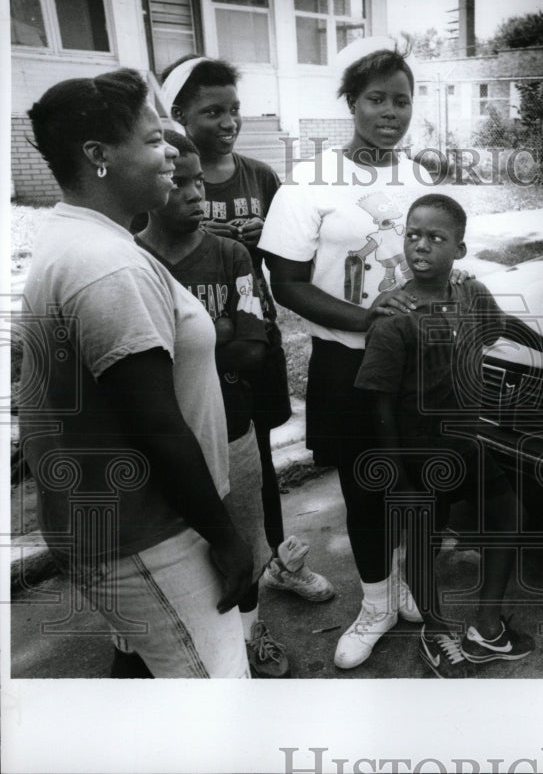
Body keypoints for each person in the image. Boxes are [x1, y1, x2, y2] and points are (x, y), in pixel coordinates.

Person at [20, 68, 253, 677]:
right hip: (150, 532)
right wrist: (225, 536)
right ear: (98, 156)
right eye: (153, 142)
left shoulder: (78, 237)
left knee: (148, 674)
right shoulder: (106, 265)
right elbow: (155, 425)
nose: (172, 158)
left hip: (124, 526)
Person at [259, 40, 462, 670]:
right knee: (367, 487)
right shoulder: (308, 183)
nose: (390, 112)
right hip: (348, 363)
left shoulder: (419, 179)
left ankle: (404, 585)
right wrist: (367, 320)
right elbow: (286, 281)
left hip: (420, 365)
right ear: (352, 102)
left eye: (402, 100)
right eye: (376, 98)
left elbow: (445, 259)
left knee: (418, 482)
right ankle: (374, 603)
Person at [354, 194, 543, 677]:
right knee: (424, 541)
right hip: (417, 455)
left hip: (467, 443)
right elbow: (377, 400)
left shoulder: (470, 293)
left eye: (436, 238)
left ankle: (486, 624)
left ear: (459, 250)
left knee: (510, 516)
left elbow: (505, 326)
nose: (421, 246)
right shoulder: (394, 316)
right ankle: (436, 630)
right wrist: (397, 474)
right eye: (413, 235)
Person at [160, 54, 333, 602]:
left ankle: (277, 560)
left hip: (253, 337)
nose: (229, 121)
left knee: (256, 457)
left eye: (234, 109)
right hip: (189, 346)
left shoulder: (260, 175)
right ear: (180, 112)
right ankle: (207, 570)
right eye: (213, 111)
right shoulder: (164, 179)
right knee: (195, 459)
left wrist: (257, 239)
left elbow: (288, 258)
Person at [136, 130, 290, 677]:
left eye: (199, 179)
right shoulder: (133, 261)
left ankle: (251, 632)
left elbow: (254, 345)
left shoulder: (228, 253)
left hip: (232, 425)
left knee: (239, 538)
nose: (196, 192)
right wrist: (218, 327)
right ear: (152, 185)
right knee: (176, 547)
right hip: (160, 437)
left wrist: (187, 339)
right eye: (180, 183)